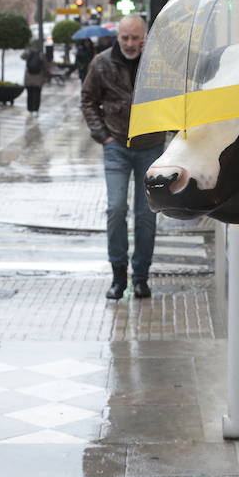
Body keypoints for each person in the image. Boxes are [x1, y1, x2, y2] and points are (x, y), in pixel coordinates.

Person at [81, 15, 165, 299]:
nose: (129, 44)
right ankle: (119, 275)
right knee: (116, 209)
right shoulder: (101, 63)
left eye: (134, 38)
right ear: (118, 36)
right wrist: (101, 135)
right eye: (124, 38)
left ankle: (141, 277)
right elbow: (88, 99)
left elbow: (174, 94)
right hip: (116, 144)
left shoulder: (157, 62)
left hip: (150, 146)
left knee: (146, 216)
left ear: (144, 37)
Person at [21, 43, 48, 114]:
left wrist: (27, 50)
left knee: (29, 94)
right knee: (37, 94)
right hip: (38, 77)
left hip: (29, 77)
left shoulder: (28, 53)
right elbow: (45, 65)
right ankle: (35, 109)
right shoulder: (41, 54)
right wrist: (45, 76)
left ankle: (29, 109)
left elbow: (22, 57)